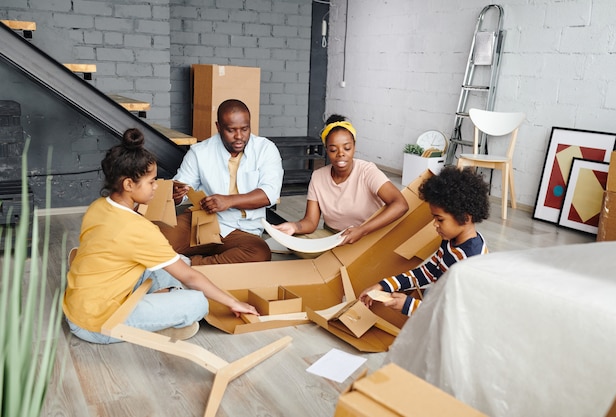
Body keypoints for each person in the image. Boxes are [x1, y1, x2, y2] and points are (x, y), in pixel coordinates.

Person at [63, 128, 259, 344]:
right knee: (198, 302)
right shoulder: (138, 228)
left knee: (181, 262)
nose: (157, 187)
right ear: (129, 184)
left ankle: (158, 305)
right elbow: (189, 277)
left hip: (79, 305)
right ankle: (156, 319)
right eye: (151, 181)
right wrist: (233, 302)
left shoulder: (98, 206)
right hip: (98, 323)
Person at [159, 99, 283, 265]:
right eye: (231, 130)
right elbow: (182, 187)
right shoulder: (200, 152)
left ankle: (189, 265)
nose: (239, 136)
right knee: (155, 240)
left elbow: (270, 195)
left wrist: (228, 201)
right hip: (202, 221)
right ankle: (199, 266)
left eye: (245, 129)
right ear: (218, 127)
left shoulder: (266, 149)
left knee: (259, 253)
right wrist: (176, 195)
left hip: (243, 230)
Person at [359, 166, 490, 316]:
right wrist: (383, 285)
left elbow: (456, 313)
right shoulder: (450, 240)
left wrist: (409, 305)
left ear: (466, 218)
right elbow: (427, 272)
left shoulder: (471, 262)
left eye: (440, 219)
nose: (435, 224)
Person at [273, 114, 408, 247]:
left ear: (354, 147)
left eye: (347, 148)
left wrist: (362, 230)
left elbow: (400, 204)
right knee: (296, 244)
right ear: (326, 150)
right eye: (333, 150)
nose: (340, 154)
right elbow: (310, 222)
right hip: (334, 237)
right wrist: (294, 227)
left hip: (368, 235)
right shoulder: (318, 176)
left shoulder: (367, 171)